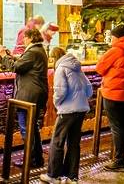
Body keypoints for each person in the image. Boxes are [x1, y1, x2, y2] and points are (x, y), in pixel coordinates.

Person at [0, 28, 48, 169]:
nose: (23, 40)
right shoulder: (38, 50)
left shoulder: (33, 52)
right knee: (33, 128)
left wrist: (4, 56)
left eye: (25, 38)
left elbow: (16, 68)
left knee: (26, 128)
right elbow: (23, 64)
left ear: (31, 37)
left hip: (29, 95)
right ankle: (37, 158)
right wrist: (11, 56)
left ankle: (31, 159)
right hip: (36, 94)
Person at [42, 47, 93, 184]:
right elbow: (89, 89)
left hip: (67, 110)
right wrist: (81, 98)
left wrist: (56, 104)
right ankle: (72, 177)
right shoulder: (77, 67)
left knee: (57, 141)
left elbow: (60, 92)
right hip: (81, 109)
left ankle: (53, 176)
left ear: (53, 58)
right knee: (74, 143)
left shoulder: (60, 68)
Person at [96, 24, 124, 172]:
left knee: (116, 128)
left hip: (112, 93)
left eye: (112, 36)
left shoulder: (115, 50)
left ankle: (119, 160)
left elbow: (99, 68)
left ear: (116, 37)